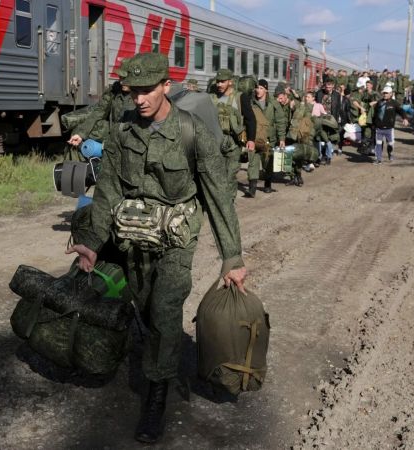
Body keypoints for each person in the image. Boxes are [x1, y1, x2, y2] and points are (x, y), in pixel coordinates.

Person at [65, 52, 247, 444]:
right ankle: (154, 350)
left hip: (175, 242)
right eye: (134, 92)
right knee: (144, 306)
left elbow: (218, 197)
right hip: (132, 237)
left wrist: (232, 258)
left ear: (167, 85)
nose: (141, 99)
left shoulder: (192, 132)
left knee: (165, 311)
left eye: (148, 90)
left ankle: (156, 397)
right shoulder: (122, 132)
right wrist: (93, 243)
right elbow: (108, 189)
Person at [210, 68, 246, 196]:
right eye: (217, 82)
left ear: (230, 82)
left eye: (222, 82)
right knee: (217, 177)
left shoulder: (239, 97)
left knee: (230, 175)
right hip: (215, 143)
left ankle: (229, 202)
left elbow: (250, 119)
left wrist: (251, 139)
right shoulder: (212, 97)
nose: (219, 84)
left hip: (233, 143)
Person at [369, 86, 409, 164]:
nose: (385, 94)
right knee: (378, 144)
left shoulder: (394, 103)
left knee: (390, 144)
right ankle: (378, 159)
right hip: (379, 128)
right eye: (384, 93)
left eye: (386, 93)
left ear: (391, 94)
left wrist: (405, 118)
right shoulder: (379, 102)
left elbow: (401, 111)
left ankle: (390, 154)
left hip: (389, 129)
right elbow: (375, 114)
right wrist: (373, 124)